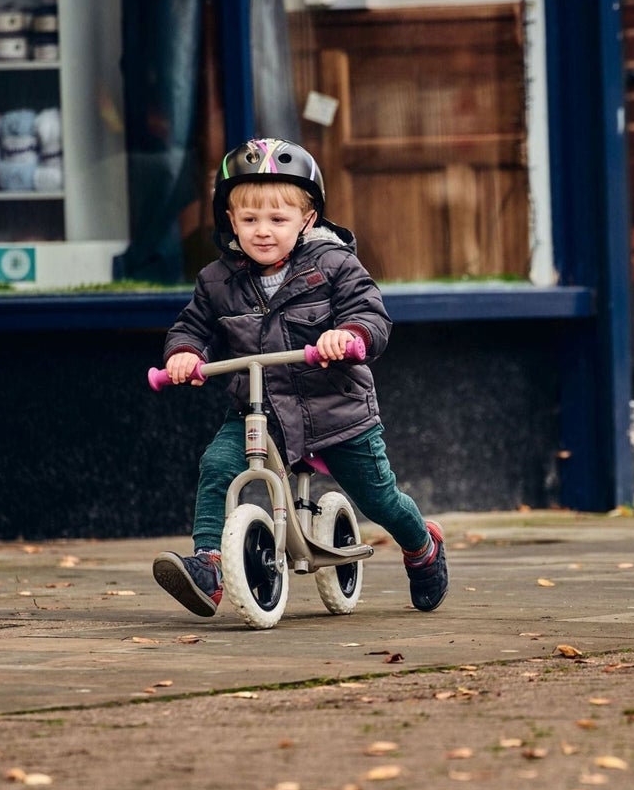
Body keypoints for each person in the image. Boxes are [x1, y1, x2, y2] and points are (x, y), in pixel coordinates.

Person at [151, 136, 448, 617]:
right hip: (259, 411)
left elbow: (371, 316)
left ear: (307, 220)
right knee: (216, 466)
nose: (262, 231)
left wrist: (348, 336)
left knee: (379, 498)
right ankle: (208, 564)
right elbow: (192, 327)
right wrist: (184, 354)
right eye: (248, 220)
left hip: (338, 414)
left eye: (277, 219)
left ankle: (422, 545)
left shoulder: (335, 266)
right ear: (230, 220)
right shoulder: (215, 281)